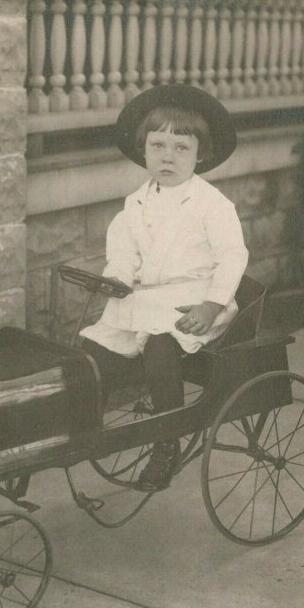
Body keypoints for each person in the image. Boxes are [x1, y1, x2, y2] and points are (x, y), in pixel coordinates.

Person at [80, 84, 249, 491]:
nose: (167, 157)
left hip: (194, 300)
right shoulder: (135, 204)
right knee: (92, 349)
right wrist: (116, 279)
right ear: (143, 151)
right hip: (145, 299)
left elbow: (233, 256)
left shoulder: (213, 205)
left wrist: (211, 304)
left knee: (159, 348)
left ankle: (165, 444)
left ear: (200, 154)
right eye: (158, 146)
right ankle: (86, 428)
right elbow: (122, 255)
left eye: (180, 147)